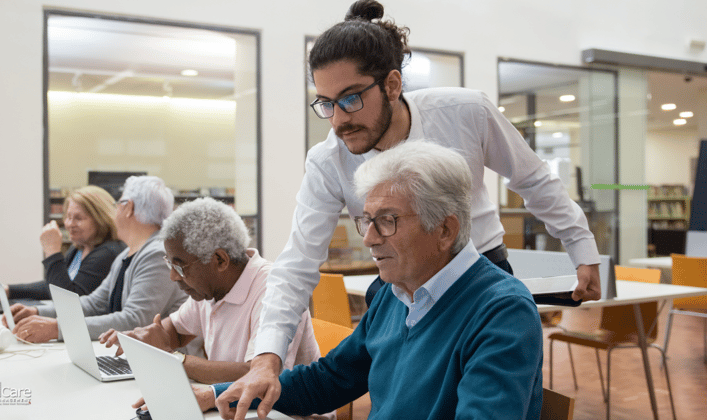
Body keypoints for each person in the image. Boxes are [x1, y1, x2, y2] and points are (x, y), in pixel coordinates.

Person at [225, 2, 601, 417]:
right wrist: (264, 361)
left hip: (476, 279)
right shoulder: (329, 160)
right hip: (402, 284)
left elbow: (533, 179)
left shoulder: (464, 112)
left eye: (350, 99)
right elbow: (297, 265)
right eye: (326, 103)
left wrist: (582, 251)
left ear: (391, 84)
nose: (337, 121)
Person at [210, 141, 543, 419]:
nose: (368, 238)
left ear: (445, 230)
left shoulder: (502, 311)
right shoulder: (393, 293)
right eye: (367, 221)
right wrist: (213, 395)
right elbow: (328, 380)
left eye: (387, 220)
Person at [99, 197, 327, 417]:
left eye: (179, 266)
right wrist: (142, 339)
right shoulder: (209, 290)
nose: (172, 277)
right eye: (169, 264)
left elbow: (256, 375)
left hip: (291, 412)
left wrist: (172, 358)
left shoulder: (273, 290)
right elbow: (174, 331)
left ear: (220, 260)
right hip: (236, 406)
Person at [7, 176, 190, 344]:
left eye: (118, 204)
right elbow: (94, 303)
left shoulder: (157, 254)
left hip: (163, 362)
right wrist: (39, 312)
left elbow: (135, 320)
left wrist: (58, 328)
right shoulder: (125, 255)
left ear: (128, 207)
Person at [0, 185, 125, 301]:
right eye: (68, 217)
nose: (70, 224)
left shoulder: (107, 253)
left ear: (100, 219)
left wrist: (52, 252)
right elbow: (54, 285)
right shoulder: (78, 249)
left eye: (78, 218)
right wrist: (9, 290)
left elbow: (68, 300)